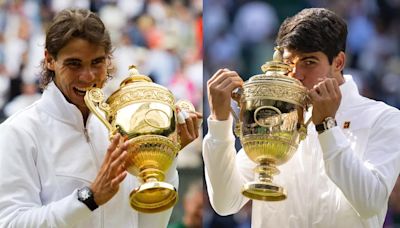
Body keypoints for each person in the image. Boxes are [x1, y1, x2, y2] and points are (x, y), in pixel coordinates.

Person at [0, 9, 201, 227]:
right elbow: (11, 222)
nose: (88, 76)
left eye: (97, 62)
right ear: (49, 60)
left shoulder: (124, 126)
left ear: (109, 61)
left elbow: (150, 224)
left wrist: (166, 159)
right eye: (74, 64)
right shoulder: (19, 132)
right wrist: (89, 198)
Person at [204, 8, 400, 228]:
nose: (296, 74)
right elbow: (225, 202)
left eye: (309, 62)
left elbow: (369, 202)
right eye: (289, 64)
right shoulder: (275, 115)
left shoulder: (384, 119)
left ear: (338, 62)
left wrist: (327, 128)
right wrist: (219, 122)